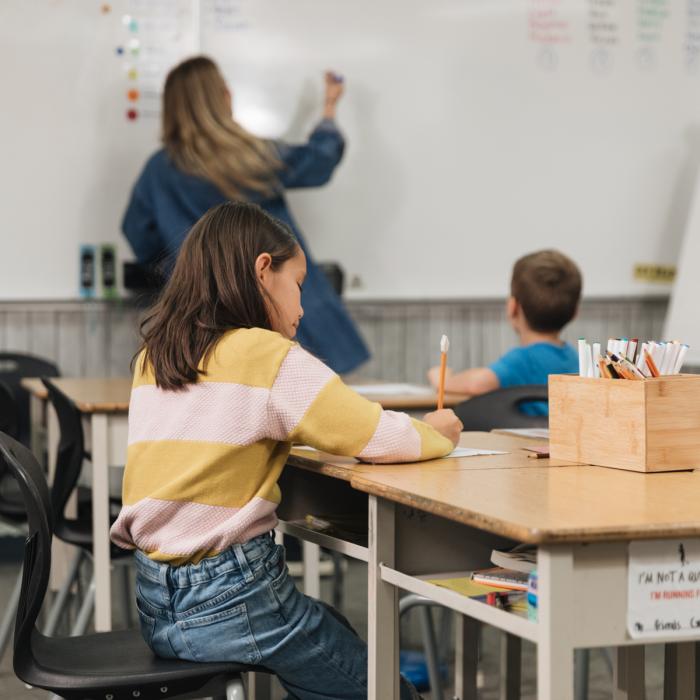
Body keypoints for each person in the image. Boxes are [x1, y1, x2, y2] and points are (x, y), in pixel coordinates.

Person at [110, 201, 463, 700]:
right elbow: (375, 436)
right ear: (262, 271)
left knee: (332, 629)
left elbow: (227, 427)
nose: (301, 308)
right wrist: (438, 433)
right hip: (233, 600)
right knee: (384, 689)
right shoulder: (267, 356)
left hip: (154, 602)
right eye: (299, 285)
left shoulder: (156, 356)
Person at [122, 55, 368, 375]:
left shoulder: (158, 171)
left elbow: (138, 235)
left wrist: (185, 266)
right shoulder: (250, 156)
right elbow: (320, 160)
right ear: (224, 97)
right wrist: (329, 110)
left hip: (207, 328)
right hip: (289, 320)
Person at [428, 249, 581, 415]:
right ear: (575, 313)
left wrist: (443, 380)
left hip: (526, 441)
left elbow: (476, 384)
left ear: (512, 307)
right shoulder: (574, 358)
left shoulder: (522, 360)